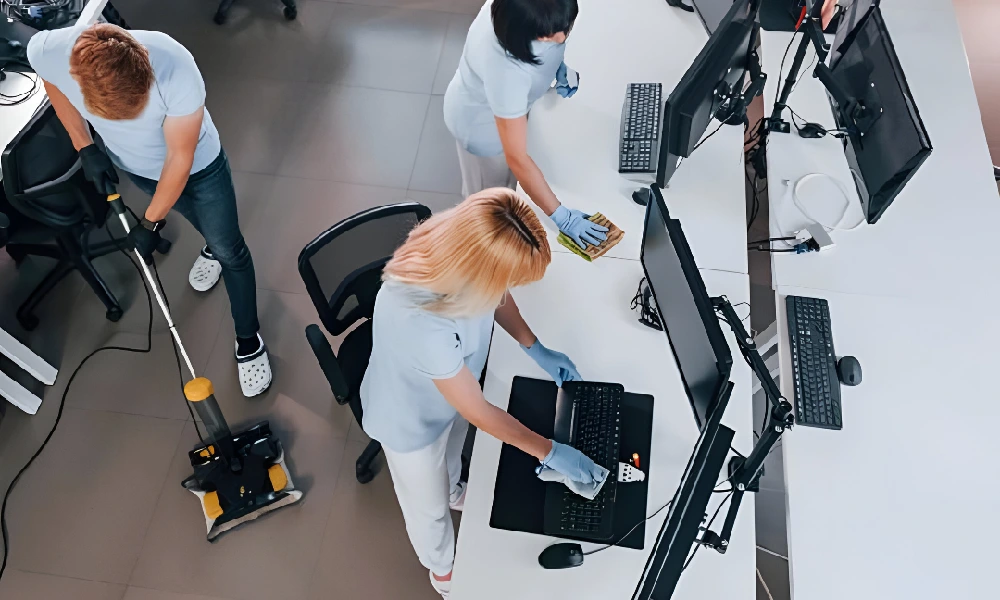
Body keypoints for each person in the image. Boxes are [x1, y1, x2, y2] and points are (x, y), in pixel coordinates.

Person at [360, 188, 606, 598]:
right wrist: (550, 451)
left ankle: (455, 487)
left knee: (452, 456)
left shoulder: (464, 247)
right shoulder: (419, 321)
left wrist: (535, 347)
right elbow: (477, 411)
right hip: (409, 422)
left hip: (453, 386)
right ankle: (441, 570)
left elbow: (498, 294)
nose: (507, 288)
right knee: (428, 509)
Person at [27, 24, 271, 397]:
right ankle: (211, 245)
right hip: (137, 168)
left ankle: (248, 337)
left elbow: (180, 158)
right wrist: (84, 145)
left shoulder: (175, 66)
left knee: (231, 250)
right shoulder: (50, 50)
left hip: (200, 169)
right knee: (199, 222)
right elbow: (52, 83)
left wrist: (150, 223)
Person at [443, 0, 608, 251]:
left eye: (565, 27)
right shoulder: (506, 74)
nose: (562, 36)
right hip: (482, 128)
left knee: (514, 184)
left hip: (512, 104)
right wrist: (562, 217)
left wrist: (555, 67)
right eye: (549, 35)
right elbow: (517, 158)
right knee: (490, 201)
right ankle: (477, 249)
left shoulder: (520, 12)